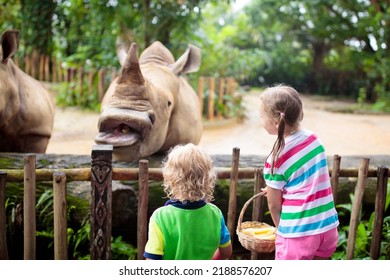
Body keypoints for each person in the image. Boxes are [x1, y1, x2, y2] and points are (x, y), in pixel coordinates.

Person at [259, 84, 339, 260]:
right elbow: (307, 180)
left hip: (299, 234)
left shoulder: (275, 159)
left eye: (261, 116)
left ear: (275, 122)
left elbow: (274, 206)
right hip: (327, 228)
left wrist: (283, 232)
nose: (260, 120)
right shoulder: (314, 140)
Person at [143, 143, 232, 260]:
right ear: (208, 178)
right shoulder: (215, 213)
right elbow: (226, 252)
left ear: (170, 178)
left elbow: (152, 260)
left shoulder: (160, 217)